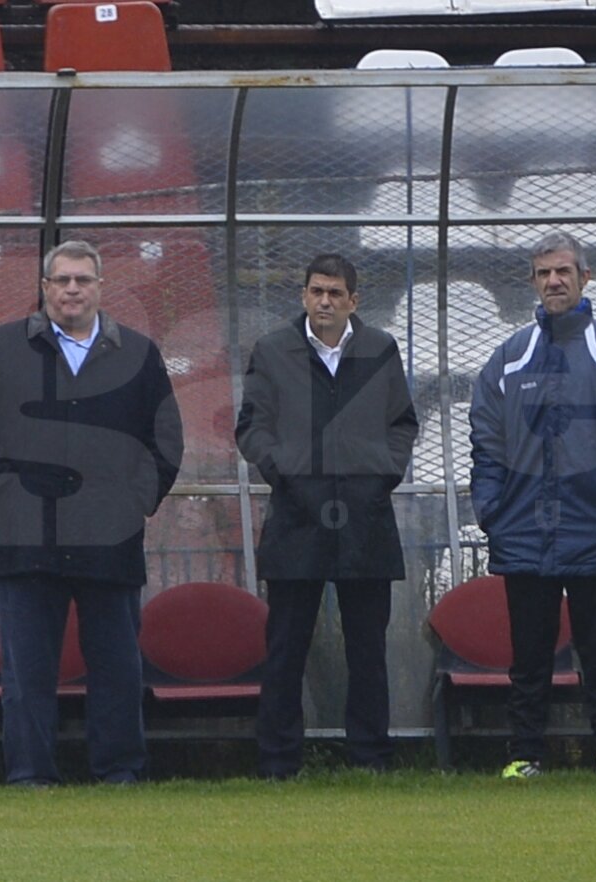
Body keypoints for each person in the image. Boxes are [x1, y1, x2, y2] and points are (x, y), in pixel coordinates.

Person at [0, 240, 183, 786]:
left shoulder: (139, 353)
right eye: (62, 280)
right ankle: (30, 776)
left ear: (100, 287)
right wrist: (11, 493)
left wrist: (133, 502)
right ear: (45, 288)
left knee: (118, 667)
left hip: (111, 536)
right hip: (25, 537)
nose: (72, 289)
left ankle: (120, 772)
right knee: (27, 672)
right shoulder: (1, 347)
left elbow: (166, 440)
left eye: (82, 279)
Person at [468, 230, 596, 779]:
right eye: (544, 273)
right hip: (523, 532)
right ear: (532, 281)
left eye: (564, 272)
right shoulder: (509, 358)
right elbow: (486, 440)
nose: (554, 281)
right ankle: (524, 754)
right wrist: (492, 511)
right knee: (528, 657)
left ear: (584, 278)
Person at [236, 253, 418, 779]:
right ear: (303, 295)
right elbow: (252, 427)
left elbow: (402, 424)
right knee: (286, 646)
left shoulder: (380, 349)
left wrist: (381, 476)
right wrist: (285, 474)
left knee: (368, 647)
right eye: (316, 291)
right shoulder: (274, 351)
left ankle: (371, 757)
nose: (324, 301)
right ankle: (278, 761)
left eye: (336, 293)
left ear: (353, 301)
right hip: (296, 515)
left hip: (365, 516)